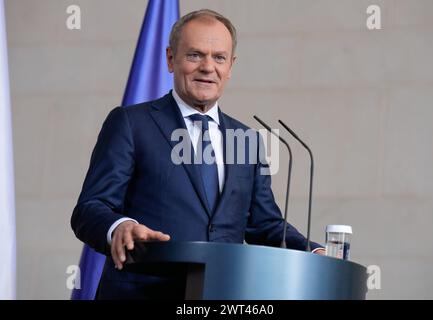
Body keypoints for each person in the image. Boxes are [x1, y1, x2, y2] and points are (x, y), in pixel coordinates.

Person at [71, 9, 325, 300]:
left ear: (230, 66)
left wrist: (313, 251)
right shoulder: (130, 123)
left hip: (222, 296)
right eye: (195, 55)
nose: (208, 67)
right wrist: (120, 226)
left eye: (219, 57)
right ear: (170, 59)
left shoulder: (248, 140)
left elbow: (265, 225)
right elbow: (90, 207)